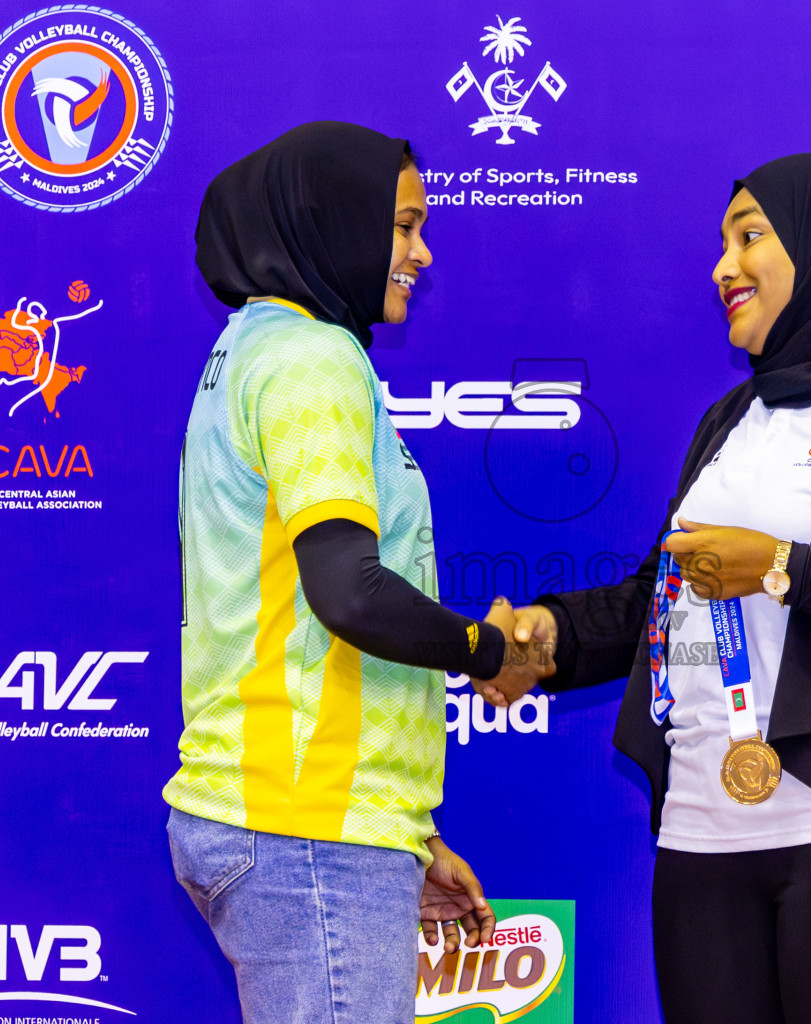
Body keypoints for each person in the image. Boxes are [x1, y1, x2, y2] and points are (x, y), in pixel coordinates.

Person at [480, 153, 811, 1024]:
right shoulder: (730, 419)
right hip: (704, 831)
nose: (721, 267)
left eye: (750, 237)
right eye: (721, 242)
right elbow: (672, 594)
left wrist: (781, 566)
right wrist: (550, 635)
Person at [163, 122, 551, 1024]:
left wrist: (402, 838)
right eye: (405, 226)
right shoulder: (311, 359)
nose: (422, 252)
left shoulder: (253, 349)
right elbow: (347, 593)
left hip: (301, 824)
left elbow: (299, 612)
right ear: (333, 219)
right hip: (304, 832)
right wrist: (489, 650)